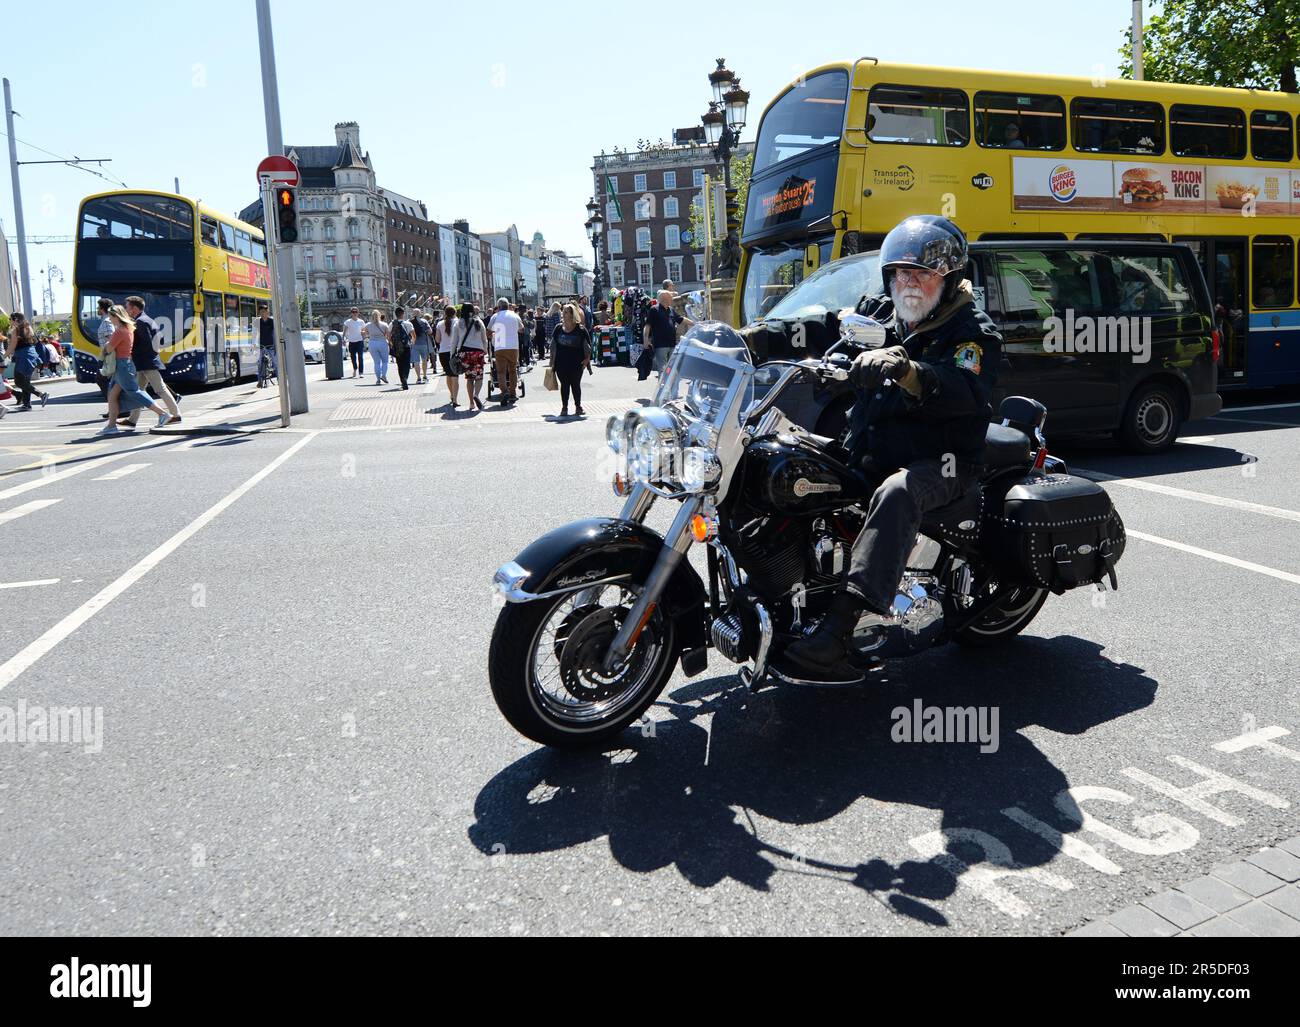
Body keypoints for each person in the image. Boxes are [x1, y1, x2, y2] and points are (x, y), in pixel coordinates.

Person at [783, 215, 1001, 681]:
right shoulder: (884, 310)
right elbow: (828, 327)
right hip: (870, 446)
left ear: (948, 276)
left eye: (921, 273)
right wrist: (755, 337)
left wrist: (907, 371)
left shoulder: (972, 332)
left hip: (942, 462)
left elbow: (965, 390)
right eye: (900, 273)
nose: (908, 283)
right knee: (786, 460)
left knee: (898, 493)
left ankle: (840, 631)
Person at [96, 305, 172, 435]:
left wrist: (107, 345)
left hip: (122, 365)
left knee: (135, 392)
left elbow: (109, 349)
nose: (110, 320)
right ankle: (111, 425)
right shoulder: (128, 328)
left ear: (116, 316)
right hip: (124, 364)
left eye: (111, 317)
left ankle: (163, 414)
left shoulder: (120, 331)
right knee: (112, 395)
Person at [122, 295, 182, 427]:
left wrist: (132, 353)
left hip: (146, 362)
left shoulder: (141, 322)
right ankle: (132, 419)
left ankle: (176, 415)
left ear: (134, 308)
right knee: (138, 391)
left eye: (127, 307)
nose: (126, 309)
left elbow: (146, 343)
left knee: (159, 389)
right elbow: (159, 340)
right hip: (146, 361)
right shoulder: (148, 319)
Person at [549, 302, 590, 418]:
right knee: (565, 385)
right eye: (563, 311)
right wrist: (552, 363)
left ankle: (578, 406)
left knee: (576, 385)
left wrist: (587, 360)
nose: (563, 313)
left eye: (566, 311)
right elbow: (553, 345)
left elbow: (588, 346)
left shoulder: (580, 329)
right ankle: (564, 407)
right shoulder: (558, 328)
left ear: (572, 315)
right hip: (561, 364)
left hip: (577, 363)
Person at [4, 313, 50, 411]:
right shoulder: (28, 328)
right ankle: (27, 404)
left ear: (15, 319)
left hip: (23, 357)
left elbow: (12, 346)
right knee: (25, 381)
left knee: (18, 381)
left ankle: (41, 394)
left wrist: (3, 357)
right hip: (32, 356)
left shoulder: (15, 330)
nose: (10, 321)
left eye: (10, 319)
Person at [644, 289, 691, 376]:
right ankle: (662, 388)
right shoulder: (654, 309)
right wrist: (646, 339)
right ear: (665, 299)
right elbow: (647, 326)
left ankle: (669, 388)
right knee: (662, 368)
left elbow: (680, 319)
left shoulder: (671, 309)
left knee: (672, 368)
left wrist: (695, 323)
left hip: (672, 344)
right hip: (660, 345)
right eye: (670, 298)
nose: (672, 300)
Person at [453, 301, 488, 410]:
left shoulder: (458, 323)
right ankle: (476, 395)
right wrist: (486, 350)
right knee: (479, 377)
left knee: (469, 378)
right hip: (477, 352)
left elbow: (454, 341)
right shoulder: (478, 321)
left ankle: (471, 403)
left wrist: (452, 354)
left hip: (465, 353)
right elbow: (484, 338)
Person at [487, 297, 523, 405]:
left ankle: (504, 391)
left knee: (501, 371)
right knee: (512, 370)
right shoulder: (515, 315)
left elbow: (488, 331)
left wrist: (493, 334)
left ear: (498, 306)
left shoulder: (495, 316)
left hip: (500, 344)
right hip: (513, 346)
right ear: (508, 305)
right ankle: (513, 392)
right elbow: (522, 329)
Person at [436, 304, 460, 406]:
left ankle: (451, 395)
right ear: (455, 313)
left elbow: (437, 339)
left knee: (448, 374)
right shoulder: (458, 322)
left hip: (442, 352)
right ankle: (455, 399)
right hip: (454, 351)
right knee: (455, 376)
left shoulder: (440, 324)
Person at [390, 305, 414, 390]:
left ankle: (402, 380)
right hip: (406, 346)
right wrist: (412, 343)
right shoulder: (408, 323)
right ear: (403, 314)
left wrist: (392, 344)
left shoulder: (392, 324)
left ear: (395, 314)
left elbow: (389, 336)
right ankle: (405, 378)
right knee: (407, 364)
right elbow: (413, 335)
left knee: (399, 365)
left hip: (397, 347)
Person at [366, 308, 390, 385]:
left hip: (372, 343)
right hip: (382, 342)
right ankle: (383, 375)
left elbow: (366, 334)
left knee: (376, 363)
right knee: (385, 361)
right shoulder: (384, 324)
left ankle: (378, 379)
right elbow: (388, 335)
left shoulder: (368, 325)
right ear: (379, 316)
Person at [256, 303, 277, 388]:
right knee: (259, 363)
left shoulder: (272, 321)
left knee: (276, 362)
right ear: (259, 313)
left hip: (270, 344)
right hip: (261, 344)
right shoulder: (257, 321)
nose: (263, 313)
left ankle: (280, 380)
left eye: (264, 312)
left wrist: (276, 345)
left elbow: (275, 333)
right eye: (261, 312)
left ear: (267, 312)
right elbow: (254, 334)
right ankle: (259, 381)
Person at [411, 308, 434, 385]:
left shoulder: (409, 322)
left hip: (414, 344)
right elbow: (430, 331)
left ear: (413, 314)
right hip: (424, 343)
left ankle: (418, 378)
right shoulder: (424, 321)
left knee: (416, 362)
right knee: (424, 360)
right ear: (420, 314)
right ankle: (424, 375)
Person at [343, 306, 367, 377]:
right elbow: (344, 331)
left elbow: (364, 330)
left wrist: (364, 335)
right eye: (353, 312)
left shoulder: (361, 321)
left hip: (359, 341)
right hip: (351, 341)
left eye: (356, 312)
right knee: (353, 357)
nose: (354, 313)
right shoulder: (348, 322)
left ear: (358, 313)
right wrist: (343, 338)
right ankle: (355, 369)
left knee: (360, 357)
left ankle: (361, 372)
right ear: (351, 313)